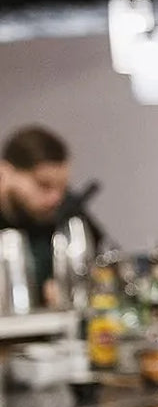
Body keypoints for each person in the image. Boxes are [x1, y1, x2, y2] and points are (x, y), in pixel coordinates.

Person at [0, 125, 72, 296]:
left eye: (62, 187)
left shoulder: (64, 216)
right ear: (4, 173)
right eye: (43, 185)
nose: (56, 198)